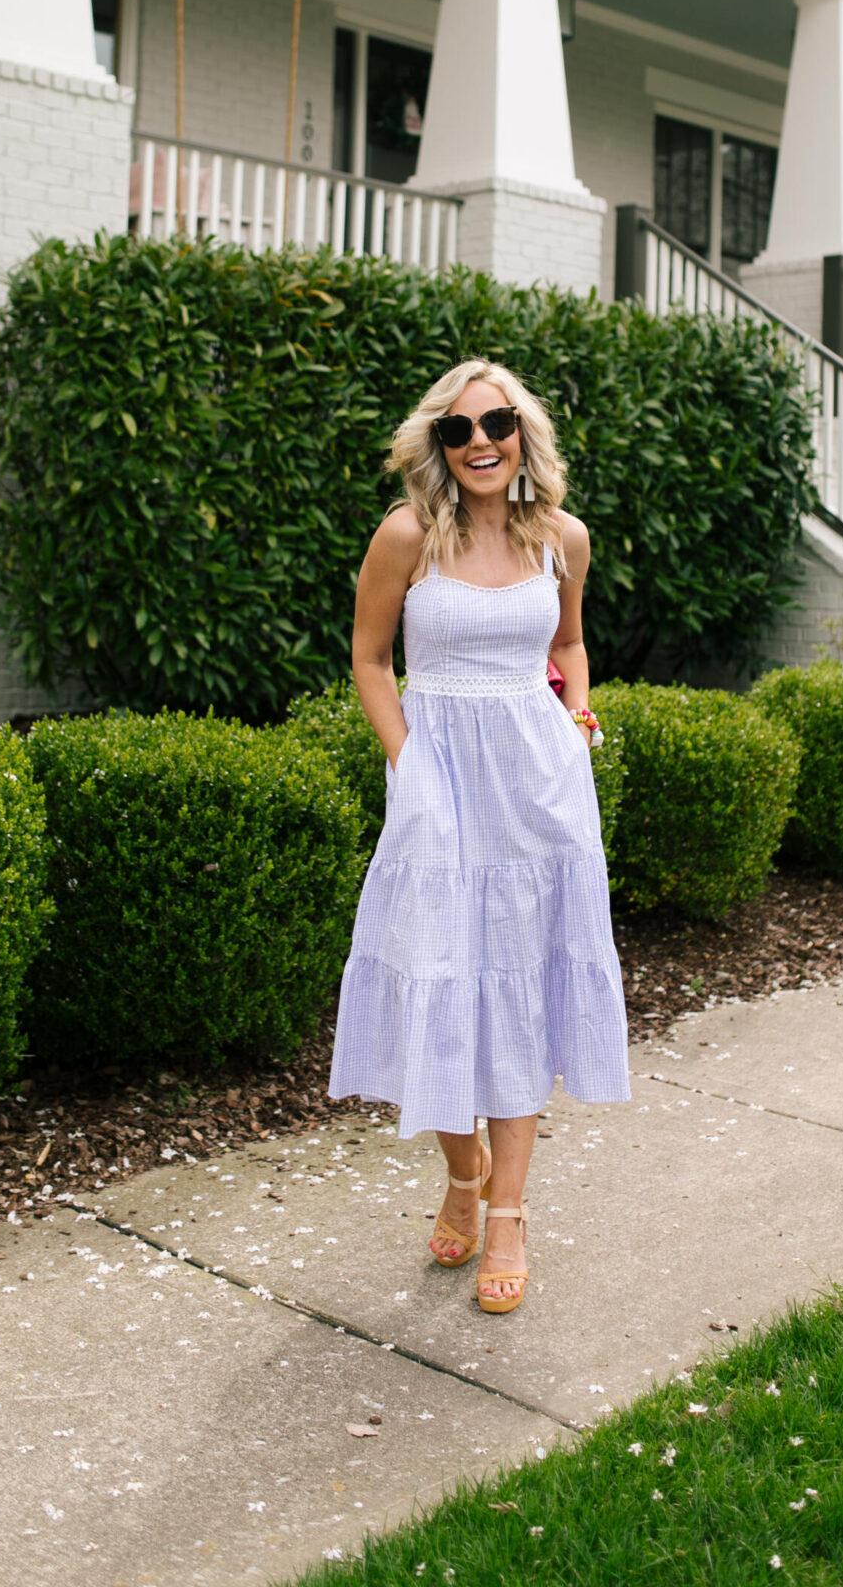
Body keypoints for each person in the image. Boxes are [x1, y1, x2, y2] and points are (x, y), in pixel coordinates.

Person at [329, 359, 630, 1314]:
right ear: (438, 446)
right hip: (439, 782)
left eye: (496, 423)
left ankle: (508, 1213)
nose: (480, 444)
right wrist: (408, 764)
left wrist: (578, 712)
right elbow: (371, 660)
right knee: (438, 983)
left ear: (523, 432)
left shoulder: (561, 538)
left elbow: (569, 644)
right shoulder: (408, 535)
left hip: (538, 789)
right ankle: (464, 1172)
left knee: (522, 994)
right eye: (457, 432)